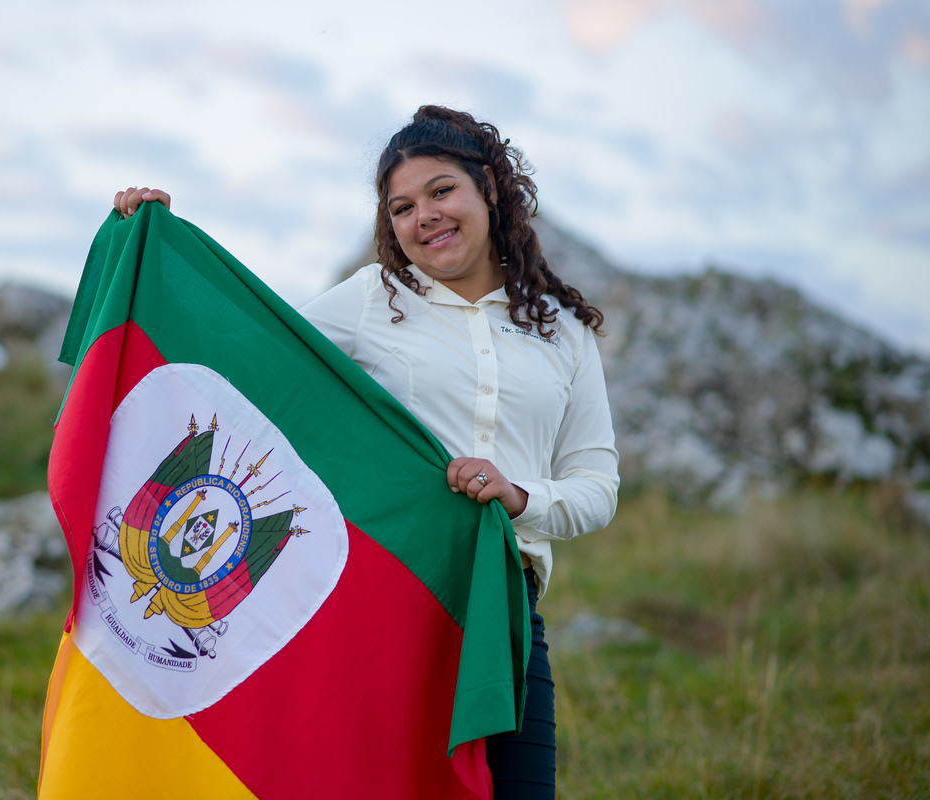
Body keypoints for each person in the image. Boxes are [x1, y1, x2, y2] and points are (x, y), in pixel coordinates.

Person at [113, 105, 619, 800]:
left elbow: (596, 484)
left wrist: (520, 495)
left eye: (442, 191)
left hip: (503, 608)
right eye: (402, 207)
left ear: (488, 187)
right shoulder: (372, 299)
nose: (425, 217)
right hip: (386, 600)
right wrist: (161, 252)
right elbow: (246, 358)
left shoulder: (563, 332)